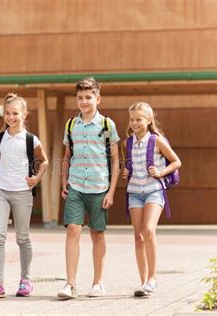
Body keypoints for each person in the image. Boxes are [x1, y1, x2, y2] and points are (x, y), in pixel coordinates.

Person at [57, 77, 120, 299]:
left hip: (100, 187)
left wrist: (111, 192)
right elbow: (66, 156)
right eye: (80, 98)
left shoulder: (107, 125)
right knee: (73, 229)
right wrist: (64, 180)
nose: (84, 102)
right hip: (75, 185)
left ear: (98, 98)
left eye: (88, 97)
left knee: (97, 234)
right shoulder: (71, 125)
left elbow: (115, 161)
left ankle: (97, 283)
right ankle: (70, 284)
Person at [0, 93, 49, 299]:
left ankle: (26, 280)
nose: (11, 117)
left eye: (15, 113)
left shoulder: (31, 139)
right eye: (8, 113)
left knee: (22, 237)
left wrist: (37, 178)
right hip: (1, 191)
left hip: (22, 193)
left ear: (24, 114)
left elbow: (45, 161)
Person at [122, 102, 181, 297]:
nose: (134, 123)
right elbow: (131, 167)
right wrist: (126, 172)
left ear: (149, 120)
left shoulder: (157, 140)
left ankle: (153, 279)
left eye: (139, 119)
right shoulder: (128, 142)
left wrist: (161, 172)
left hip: (154, 190)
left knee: (148, 230)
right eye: (132, 119)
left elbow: (176, 161)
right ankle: (143, 282)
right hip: (134, 192)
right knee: (138, 237)